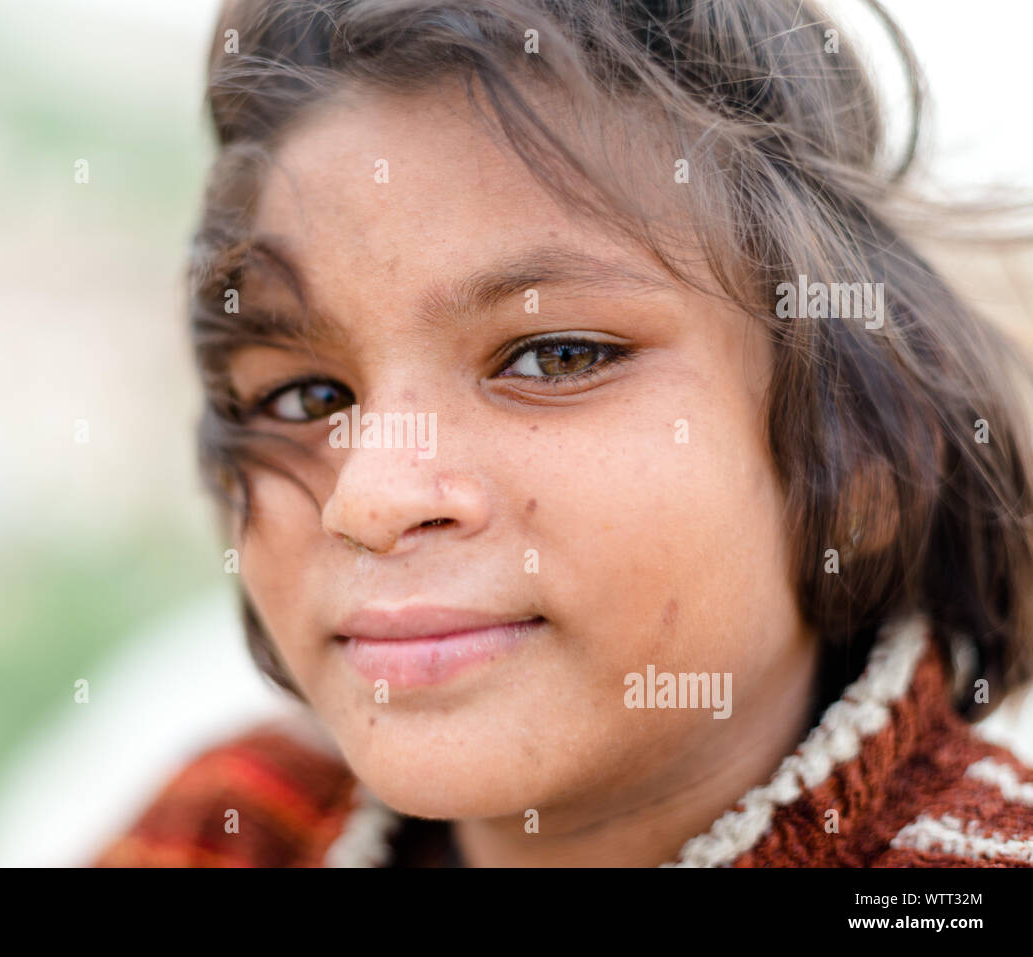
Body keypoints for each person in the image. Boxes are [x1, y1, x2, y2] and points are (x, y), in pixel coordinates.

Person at [97, 0, 1033, 867]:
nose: (370, 499)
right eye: (304, 397)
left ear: (868, 451)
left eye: (555, 357)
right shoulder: (230, 822)